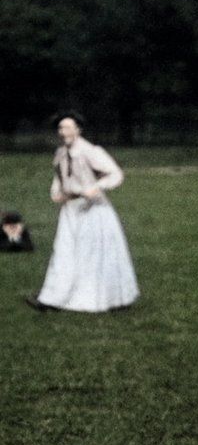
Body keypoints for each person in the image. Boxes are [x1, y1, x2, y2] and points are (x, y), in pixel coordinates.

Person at [27, 113, 139, 312]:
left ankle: (106, 298)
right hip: (69, 209)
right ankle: (53, 298)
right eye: (61, 128)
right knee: (63, 252)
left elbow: (115, 174)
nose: (64, 132)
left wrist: (95, 188)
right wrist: (56, 192)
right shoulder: (61, 153)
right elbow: (59, 176)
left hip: (93, 210)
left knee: (93, 255)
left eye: (68, 128)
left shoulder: (90, 151)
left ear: (78, 130)